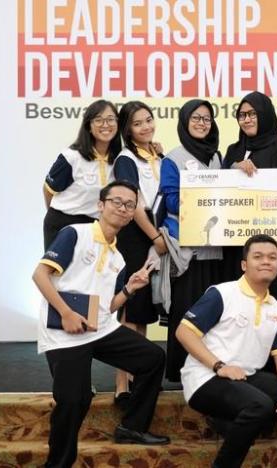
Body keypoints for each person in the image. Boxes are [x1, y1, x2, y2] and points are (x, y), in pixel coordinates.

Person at [33, 181, 170, 468]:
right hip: (64, 333)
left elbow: (107, 307)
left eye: (129, 205)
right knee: (74, 400)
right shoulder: (75, 233)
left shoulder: (118, 258)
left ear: (133, 214)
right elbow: (40, 275)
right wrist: (66, 312)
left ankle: (132, 427)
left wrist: (130, 289)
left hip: (100, 328)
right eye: (116, 201)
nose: (123, 208)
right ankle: (58, 464)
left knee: (153, 357)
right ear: (100, 205)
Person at [176, 235, 277, 468]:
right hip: (206, 378)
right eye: (258, 257)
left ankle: (229, 422)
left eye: (272, 257)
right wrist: (219, 366)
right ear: (244, 265)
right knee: (259, 406)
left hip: (245, 378)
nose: (266, 261)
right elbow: (184, 332)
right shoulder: (222, 293)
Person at [222, 90, 277, 372]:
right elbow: (220, 190)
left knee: (276, 305)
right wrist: (233, 168)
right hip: (237, 245)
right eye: (242, 115)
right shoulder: (233, 150)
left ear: (265, 114)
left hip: (275, 247)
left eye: (252, 114)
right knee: (240, 307)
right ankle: (241, 366)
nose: (246, 120)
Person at [159, 99, 224, 382]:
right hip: (188, 251)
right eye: (196, 118)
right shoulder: (172, 158)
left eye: (207, 119)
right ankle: (180, 371)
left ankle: (208, 369)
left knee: (212, 315)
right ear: (185, 121)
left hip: (215, 248)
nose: (201, 123)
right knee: (186, 313)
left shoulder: (217, 156)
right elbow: (170, 200)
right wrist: (205, 198)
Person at [113, 101, 168, 405]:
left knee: (142, 311)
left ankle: (138, 376)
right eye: (137, 123)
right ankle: (122, 385)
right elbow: (131, 204)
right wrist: (155, 237)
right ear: (127, 129)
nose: (146, 126)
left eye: (148, 119)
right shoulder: (125, 159)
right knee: (129, 311)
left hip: (153, 233)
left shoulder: (157, 154)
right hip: (136, 236)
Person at [42, 99, 134, 249]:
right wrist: (56, 214)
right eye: (98, 120)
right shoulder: (72, 157)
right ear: (89, 126)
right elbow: (48, 190)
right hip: (64, 223)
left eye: (111, 119)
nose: (105, 125)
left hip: (97, 227)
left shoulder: (120, 158)